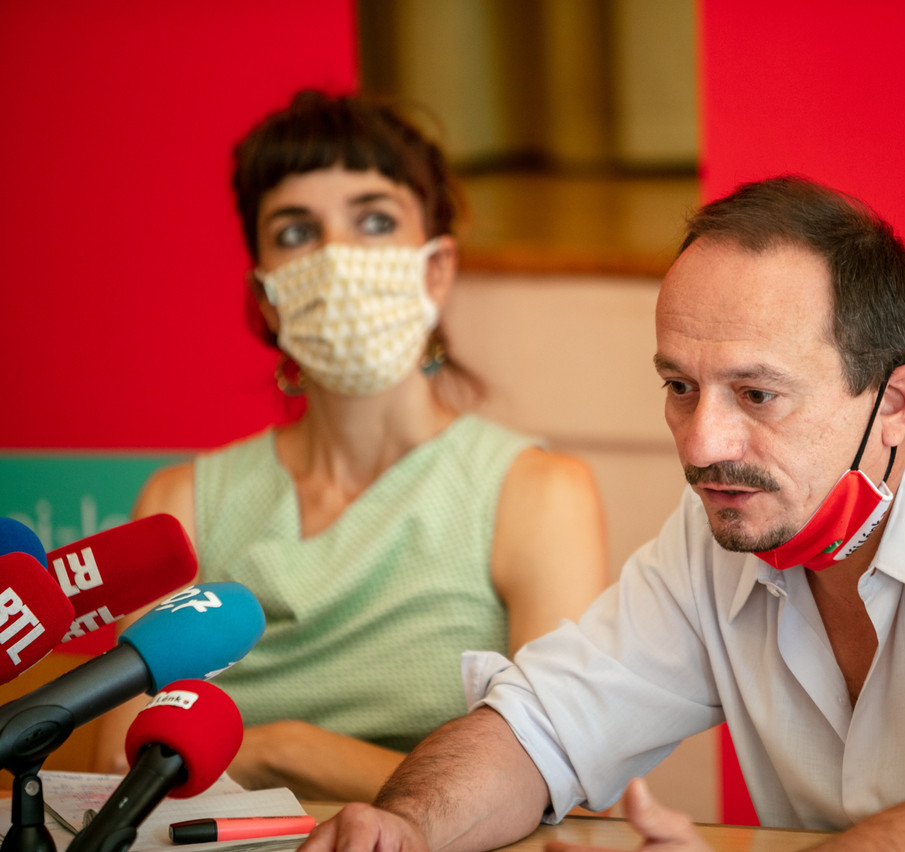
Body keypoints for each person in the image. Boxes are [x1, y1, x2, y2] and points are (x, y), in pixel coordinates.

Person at [300, 176, 905, 851]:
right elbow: (542, 728)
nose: (699, 443)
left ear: (894, 402)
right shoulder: (733, 518)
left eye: (757, 395)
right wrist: (409, 825)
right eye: (679, 386)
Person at [93, 90, 610, 803]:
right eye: (297, 232)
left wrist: (288, 752)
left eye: (374, 220)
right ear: (267, 296)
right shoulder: (180, 504)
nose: (337, 255)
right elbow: (112, 782)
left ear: (435, 268)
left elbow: (556, 779)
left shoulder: (537, 494)